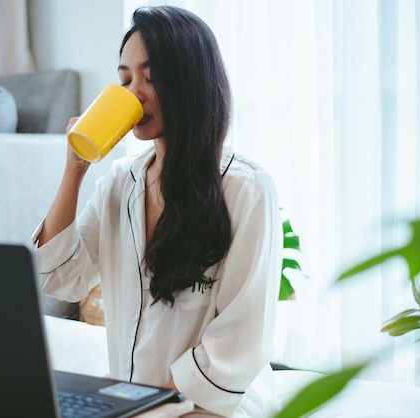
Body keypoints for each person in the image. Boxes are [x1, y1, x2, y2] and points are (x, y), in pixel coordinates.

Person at [33, 6, 282, 417]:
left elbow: (239, 338)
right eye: (125, 78)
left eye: (152, 77)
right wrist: (74, 167)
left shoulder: (245, 189)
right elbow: (59, 277)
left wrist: (152, 406)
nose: (134, 92)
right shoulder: (120, 182)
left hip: (217, 402)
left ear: (191, 82)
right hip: (138, 402)